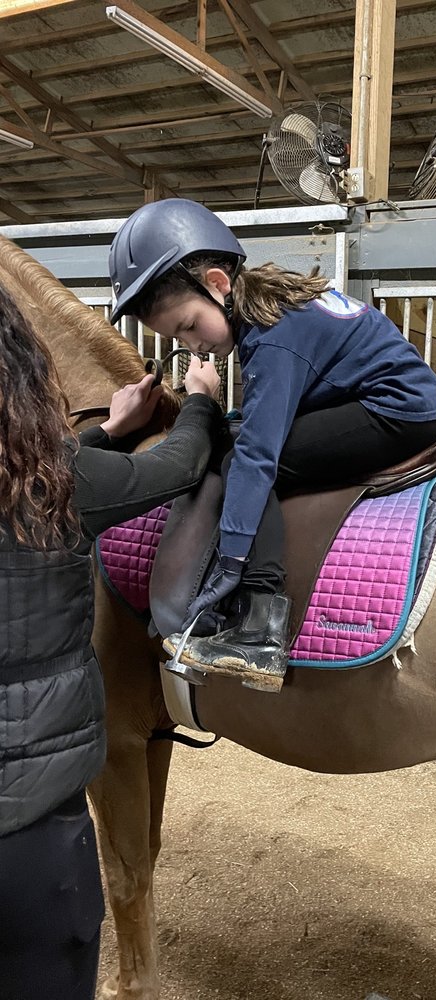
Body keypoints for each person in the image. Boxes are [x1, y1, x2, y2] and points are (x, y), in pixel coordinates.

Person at [108, 198, 436, 691]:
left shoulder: (271, 337)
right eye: (177, 338)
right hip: (379, 399)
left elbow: (258, 457)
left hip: (394, 412)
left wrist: (231, 563)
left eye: (188, 326)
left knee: (243, 462)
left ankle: (261, 628)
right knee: (238, 441)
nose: (195, 346)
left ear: (218, 284)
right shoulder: (269, 306)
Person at [0, 279, 223, 1000]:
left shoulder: (62, 473)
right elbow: (176, 469)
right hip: (32, 828)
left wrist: (105, 433)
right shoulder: (57, 480)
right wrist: (201, 407)